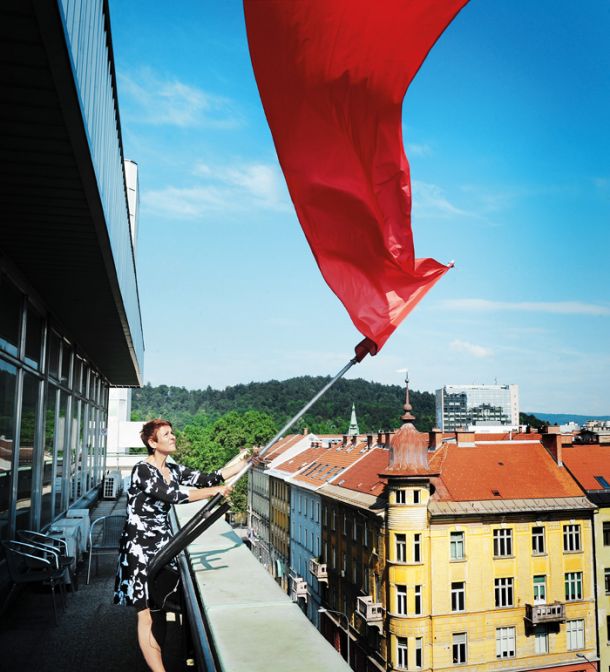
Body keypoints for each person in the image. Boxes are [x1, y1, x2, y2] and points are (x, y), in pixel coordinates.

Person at [114, 418, 250, 672]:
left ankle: (161, 660)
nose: (173, 437)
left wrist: (248, 460)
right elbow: (173, 496)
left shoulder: (172, 469)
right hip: (139, 548)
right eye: (166, 434)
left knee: (159, 608)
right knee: (145, 614)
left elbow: (209, 478)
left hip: (163, 545)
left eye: (172, 433)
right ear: (152, 442)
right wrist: (214, 492)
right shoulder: (142, 470)